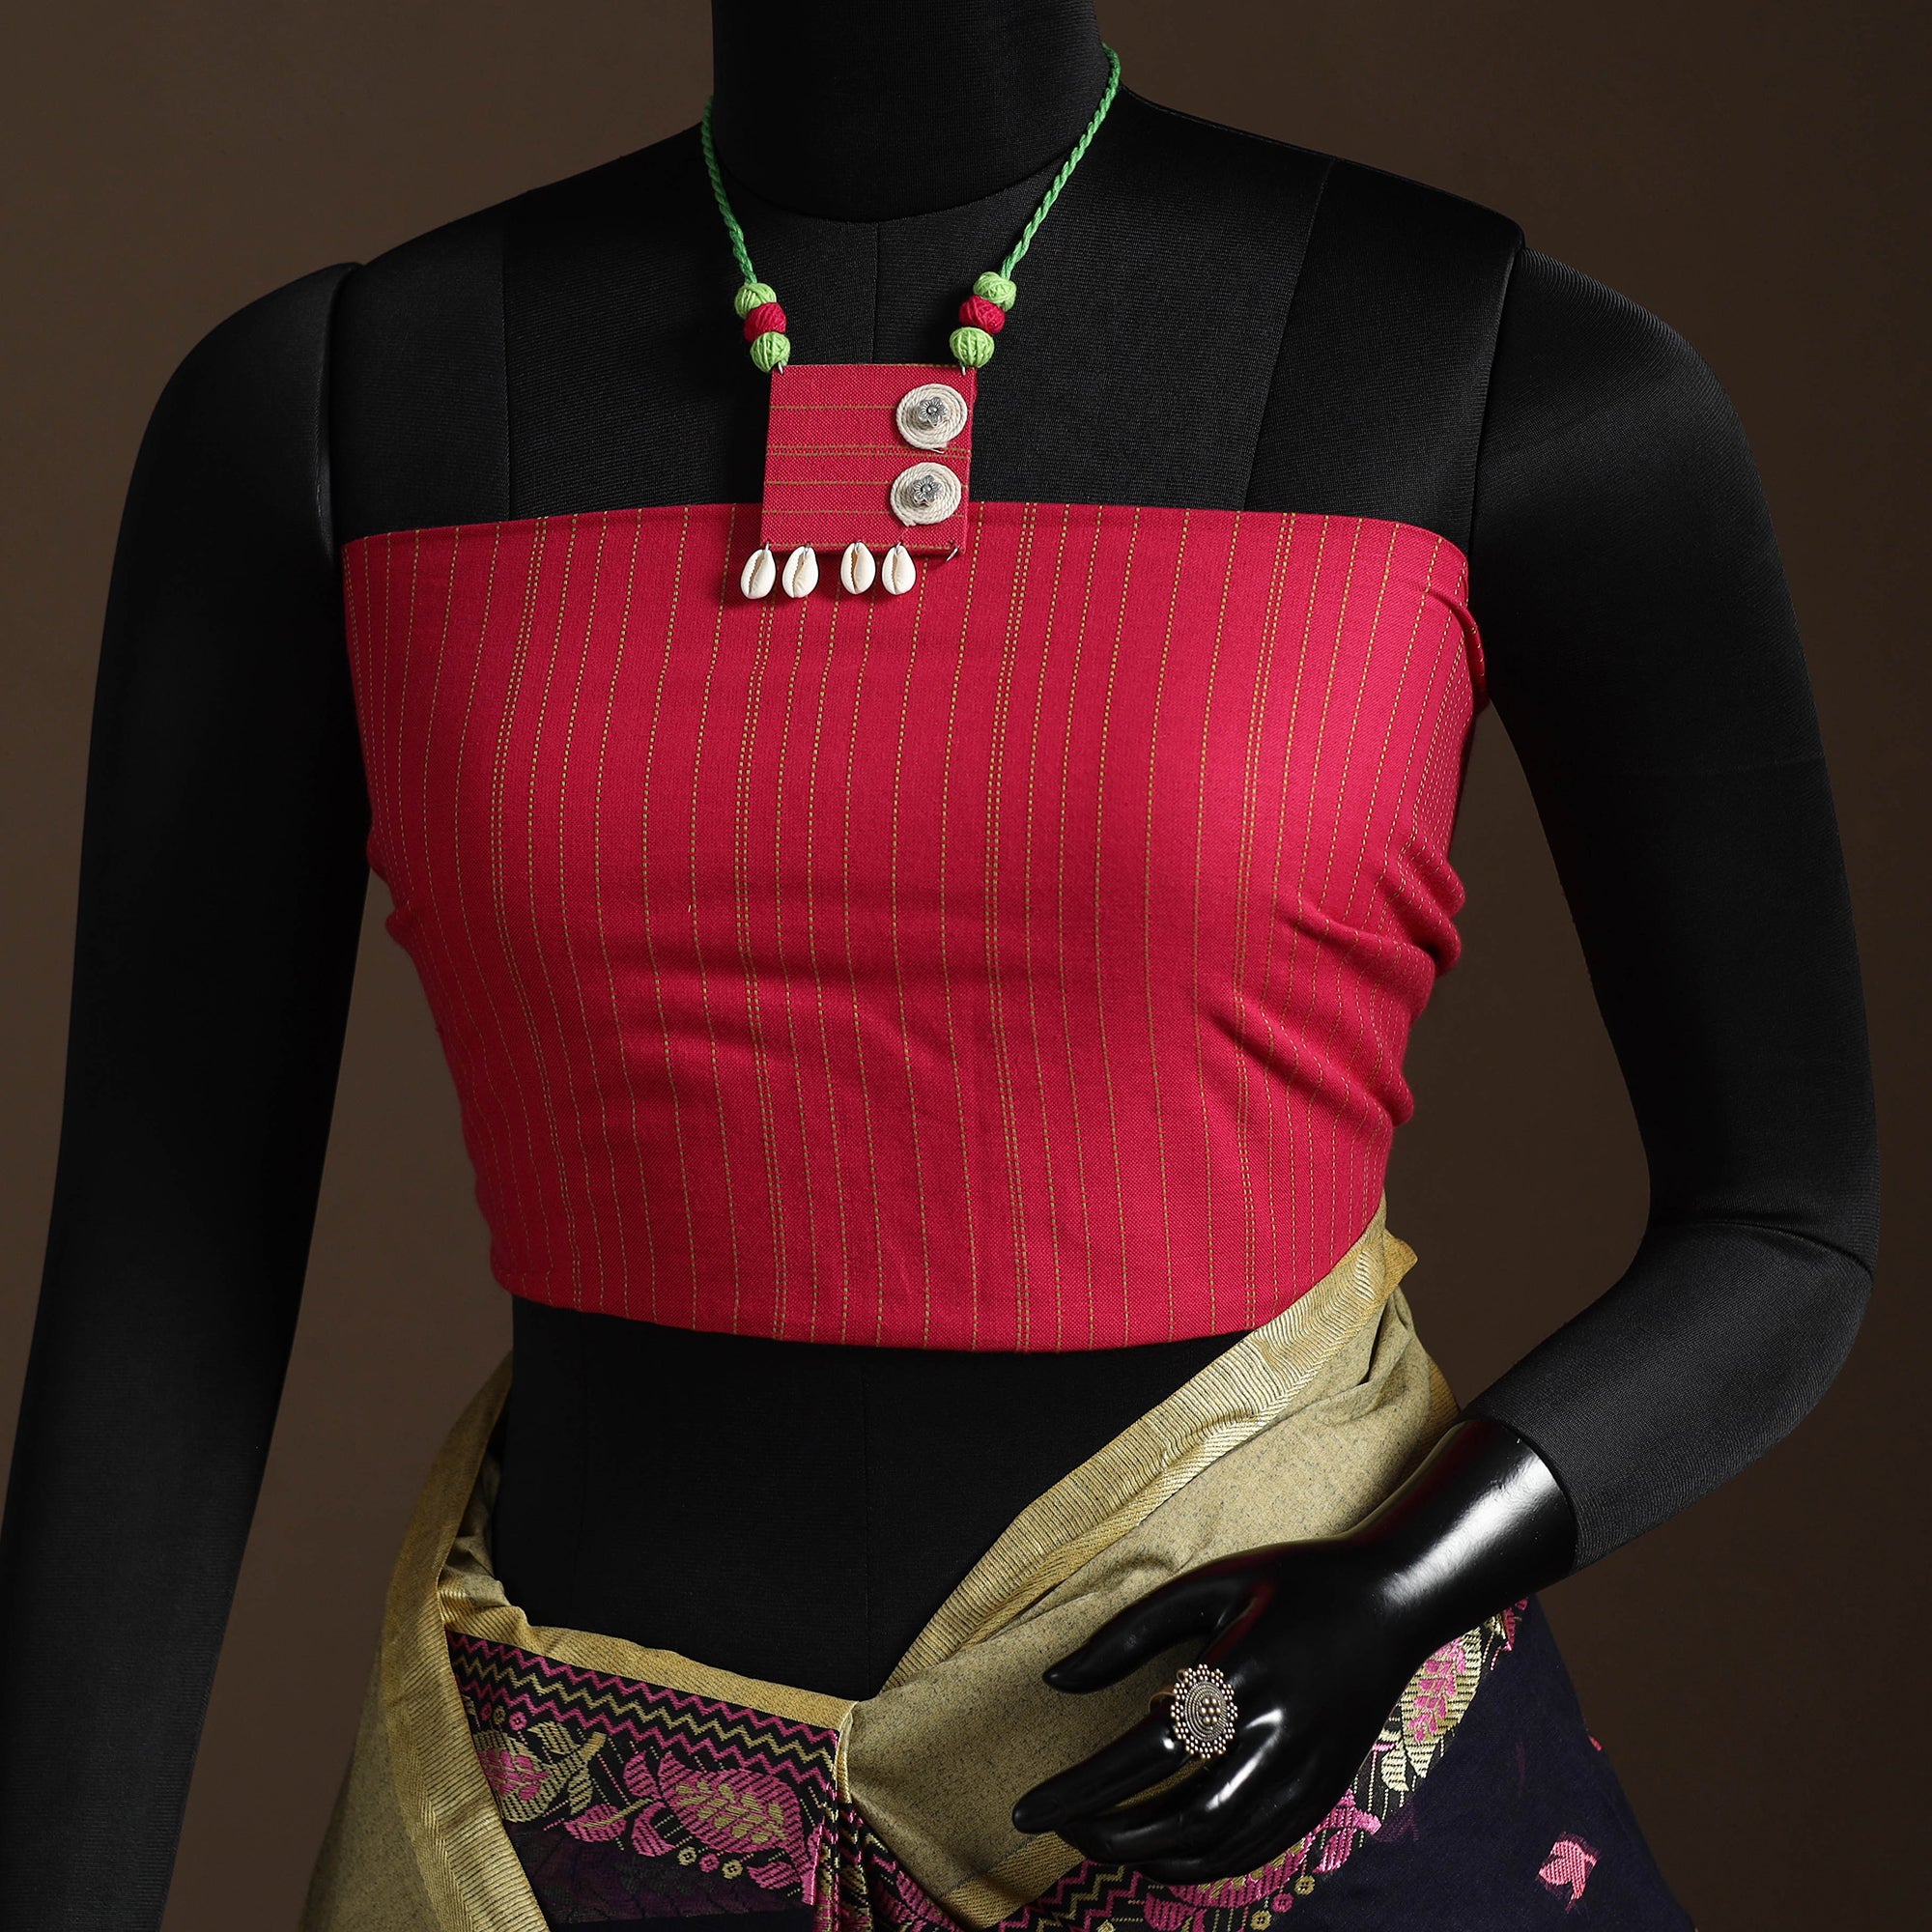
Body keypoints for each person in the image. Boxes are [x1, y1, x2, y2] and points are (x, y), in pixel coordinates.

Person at [0, 5, 1876, 1926]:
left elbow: (1785, 1224)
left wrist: (1407, 1579)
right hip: (582, 1839)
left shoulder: (1492, 365)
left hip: (1296, 1807)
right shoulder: (347, 403)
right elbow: (161, 1295)